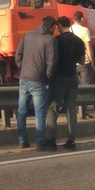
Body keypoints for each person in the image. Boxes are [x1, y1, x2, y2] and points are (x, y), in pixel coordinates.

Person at [15, 16, 58, 151]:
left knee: (22, 111)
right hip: (38, 79)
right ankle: (40, 142)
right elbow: (52, 62)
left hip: (24, 78)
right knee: (39, 112)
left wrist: (23, 68)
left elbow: (18, 55)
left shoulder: (27, 36)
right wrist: (47, 77)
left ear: (41, 23)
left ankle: (22, 140)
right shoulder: (50, 40)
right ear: (53, 27)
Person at [46, 16, 85, 151]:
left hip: (59, 77)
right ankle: (71, 140)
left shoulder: (56, 41)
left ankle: (51, 140)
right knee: (71, 109)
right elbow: (82, 60)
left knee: (53, 108)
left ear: (59, 26)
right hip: (73, 76)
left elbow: (52, 59)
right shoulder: (78, 41)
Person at [71, 10, 94, 119]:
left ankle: (76, 110)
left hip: (72, 63)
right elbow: (88, 46)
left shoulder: (69, 30)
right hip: (84, 62)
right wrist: (92, 60)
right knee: (85, 87)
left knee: (75, 87)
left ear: (73, 19)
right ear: (82, 19)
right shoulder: (85, 30)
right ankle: (83, 111)